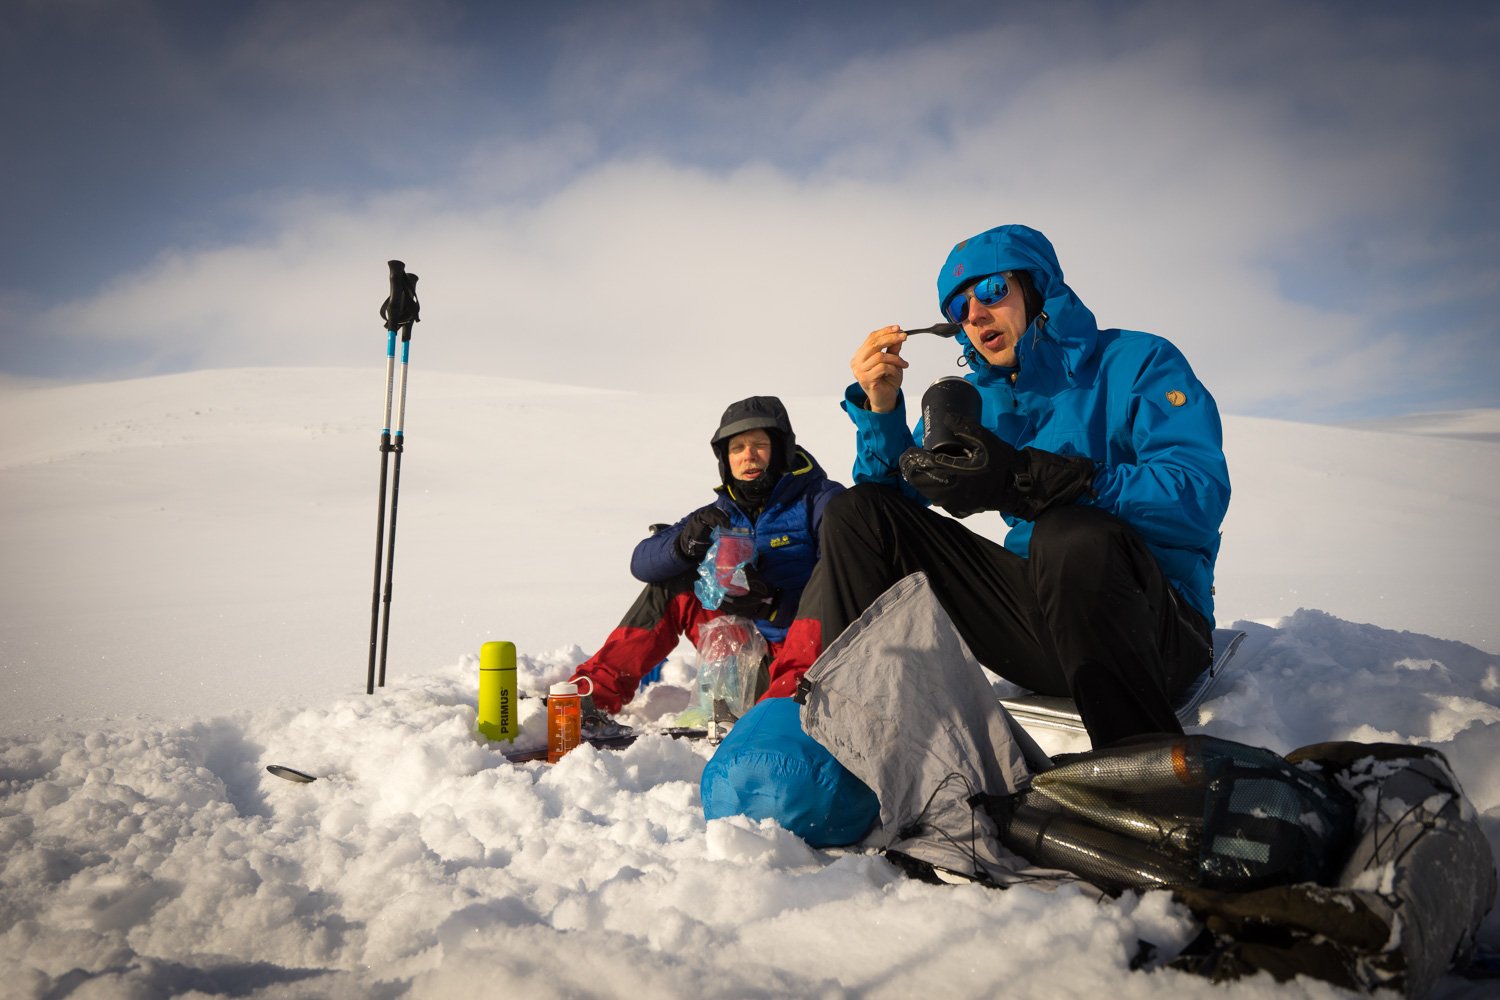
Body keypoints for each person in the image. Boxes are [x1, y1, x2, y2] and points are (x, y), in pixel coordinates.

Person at [761, 224, 1231, 749]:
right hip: (1041, 630)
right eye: (958, 309)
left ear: (1037, 287)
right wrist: (883, 406)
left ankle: (1140, 771)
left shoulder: (1137, 361)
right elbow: (890, 505)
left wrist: (1051, 480)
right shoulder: (978, 399)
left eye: (991, 291)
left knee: (1069, 533)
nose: (975, 314)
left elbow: (1198, 495)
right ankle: (848, 743)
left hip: (1157, 632)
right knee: (859, 511)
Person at [572, 396, 844, 715]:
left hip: (813, 672)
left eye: (759, 444)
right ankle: (589, 702)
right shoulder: (721, 512)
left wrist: (774, 606)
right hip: (747, 667)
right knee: (674, 581)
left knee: (828, 579)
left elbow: (844, 586)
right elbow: (641, 562)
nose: (748, 456)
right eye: (737, 448)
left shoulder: (822, 501)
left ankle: (779, 717)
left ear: (781, 449)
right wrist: (685, 544)